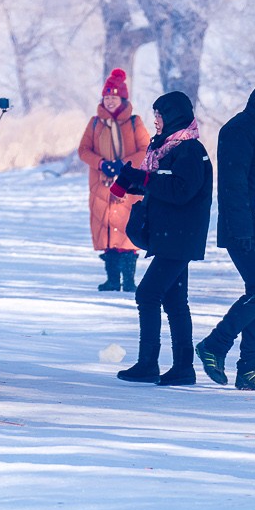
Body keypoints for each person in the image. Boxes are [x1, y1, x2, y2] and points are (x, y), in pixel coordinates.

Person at [101, 89, 212, 386]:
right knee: (175, 301)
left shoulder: (189, 150)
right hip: (172, 236)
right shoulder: (167, 148)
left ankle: (149, 363)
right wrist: (133, 181)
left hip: (179, 237)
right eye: (155, 116)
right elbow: (160, 185)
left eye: (160, 115)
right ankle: (182, 368)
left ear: (174, 116)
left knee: (147, 294)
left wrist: (142, 179)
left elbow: (180, 190)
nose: (156, 121)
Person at [196, 71, 255, 390]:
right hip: (246, 229)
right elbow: (233, 185)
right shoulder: (239, 130)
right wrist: (240, 230)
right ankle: (215, 345)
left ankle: (250, 368)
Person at [78, 68, 150, 292]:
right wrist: (101, 163)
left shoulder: (135, 123)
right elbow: (83, 150)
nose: (110, 102)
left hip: (127, 183)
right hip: (102, 185)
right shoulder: (94, 123)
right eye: (107, 97)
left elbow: (146, 149)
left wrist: (123, 165)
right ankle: (111, 279)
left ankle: (129, 280)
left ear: (123, 99)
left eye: (114, 97)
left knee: (127, 229)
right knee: (107, 229)